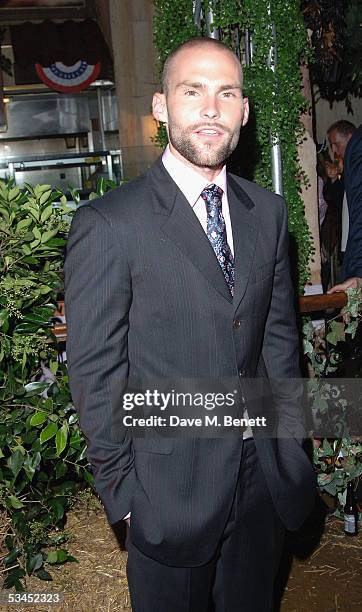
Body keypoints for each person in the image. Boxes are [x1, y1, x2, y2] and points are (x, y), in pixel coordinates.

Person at [64, 37, 316, 612]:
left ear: (244, 111)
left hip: (261, 487)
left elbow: (279, 346)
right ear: (161, 106)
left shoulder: (268, 214)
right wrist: (124, 495)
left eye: (226, 93)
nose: (210, 108)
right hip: (164, 496)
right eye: (192, 91)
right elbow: (95, 372)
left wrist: (290, 451)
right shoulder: (109, 224)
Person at [326, 120, 362, 293]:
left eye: (335, 144)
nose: (334, 151)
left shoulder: (357, 154)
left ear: (350, 137)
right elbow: (339, 201)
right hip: (349, 244)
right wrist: (336, 179)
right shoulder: (349, 167)